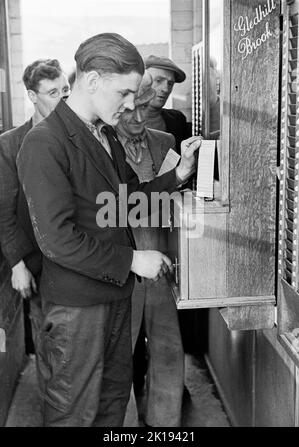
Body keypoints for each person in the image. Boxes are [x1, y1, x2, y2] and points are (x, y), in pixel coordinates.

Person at [17, 33, 201, 427]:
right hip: (78, 310)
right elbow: (57, 239)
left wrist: (178, 174)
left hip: (116, 296)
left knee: (112, 406)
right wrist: (134, 258)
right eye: (125, 92)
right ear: (94, 80)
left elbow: (125, 201)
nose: (133, 104)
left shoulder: (105, 135)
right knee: (75, 413)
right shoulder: (44, 143)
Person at [116, 72, 184, 427]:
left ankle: (164, 425)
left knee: (169, 349)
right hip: (123, 266)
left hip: (161, 260)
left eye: (146, 110)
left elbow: (176, 201)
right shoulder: (100, 144)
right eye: (133, 111)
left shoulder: (165, 140)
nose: (140, 120)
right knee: (119, 358)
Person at [0, 59, 70, 354]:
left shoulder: (78, 137)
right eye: (53, 93)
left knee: (76, 347)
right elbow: (4, 209)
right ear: (32, 96)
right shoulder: (10, 144)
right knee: (45, 342)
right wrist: (17, 265)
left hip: (73, 260)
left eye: (66, 91)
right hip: (35, 263)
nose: (63, 99)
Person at [145, 55, 191, 153]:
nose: (165, 89)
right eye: (158, 81)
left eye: (170, 83)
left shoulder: (177, 120)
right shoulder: (122, 122)